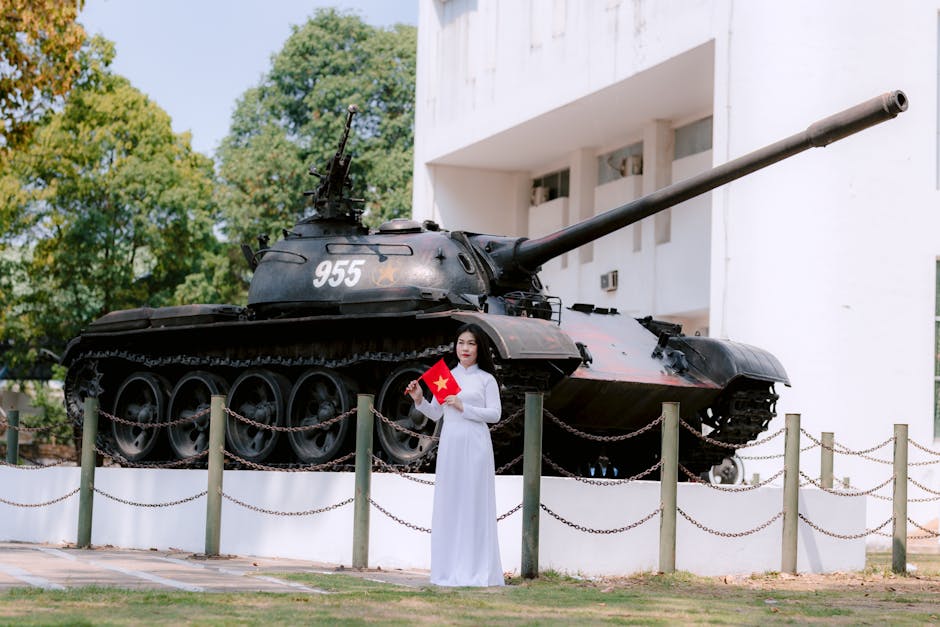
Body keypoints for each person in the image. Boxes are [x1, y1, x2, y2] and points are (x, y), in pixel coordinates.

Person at [405, 323, 504, 587]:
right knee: (450, 503)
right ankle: (449, 570)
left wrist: (464, 406)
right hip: (450, 445)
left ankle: (476, 570)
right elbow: (436, 413)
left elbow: (495, 414)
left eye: (471, 343)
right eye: (461, 342)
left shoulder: (486, 379)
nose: (465, 348)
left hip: (476, 445)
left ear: (479, 347)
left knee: (474, 504)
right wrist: (418, 400)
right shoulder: (445, 377)